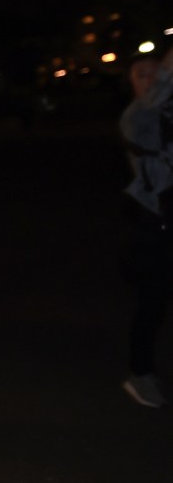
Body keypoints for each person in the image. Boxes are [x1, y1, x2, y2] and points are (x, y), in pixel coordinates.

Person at [118, 44, 173, 408]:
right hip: (154, 229)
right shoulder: (136, 117)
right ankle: (140, 375)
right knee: (152, 305)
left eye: (155, 71)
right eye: (142, 74)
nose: (151, 79)